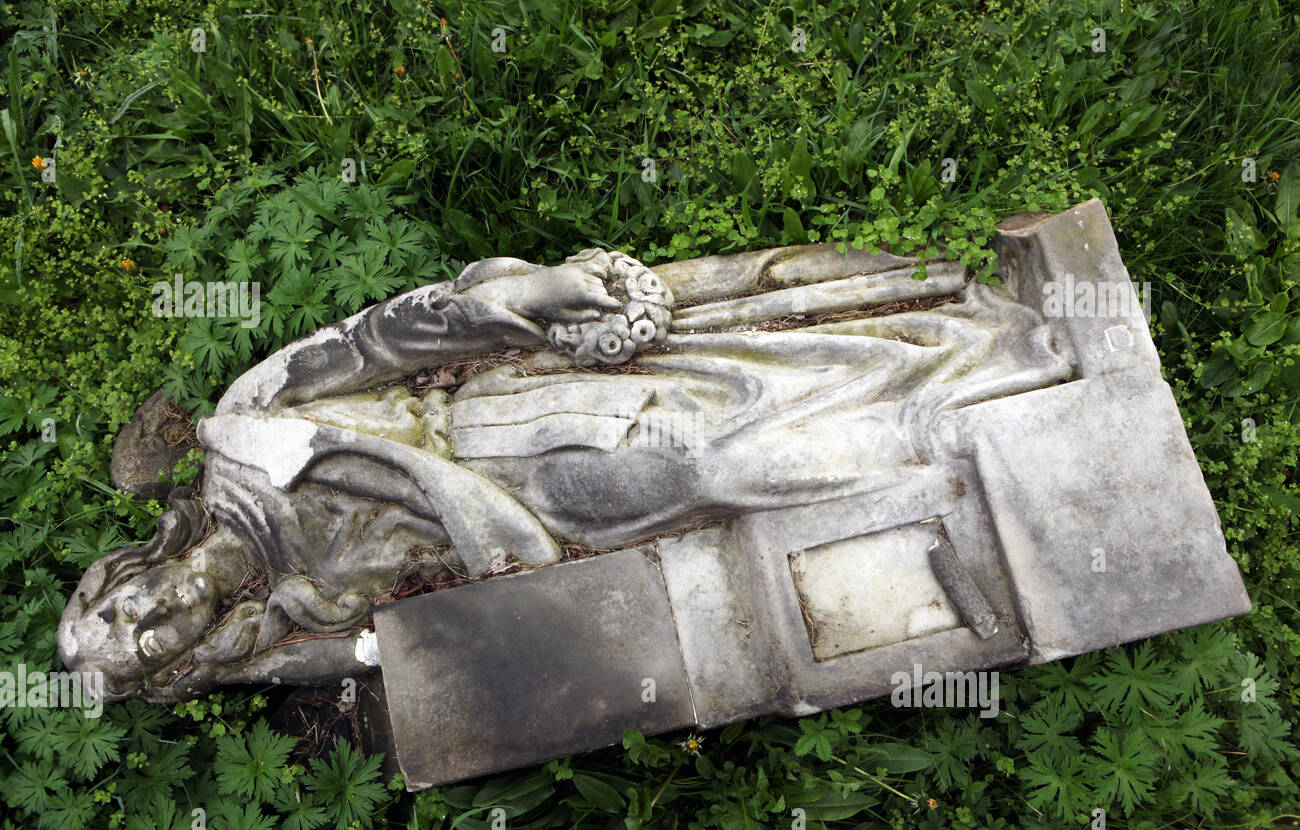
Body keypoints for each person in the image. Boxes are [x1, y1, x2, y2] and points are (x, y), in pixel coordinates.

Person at [59, 244, 1071, 700]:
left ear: (120, 570)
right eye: (151, 649)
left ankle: (976, 385)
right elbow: (395, 653)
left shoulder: (242, 433)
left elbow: (380, 339)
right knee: (728, 469)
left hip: (511, 435)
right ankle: (985, 441)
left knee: (719, 442)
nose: (155, 618)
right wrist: (253, 661)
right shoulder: (295, 612)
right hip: (546, 543)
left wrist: (536, 292)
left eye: (122, 613)